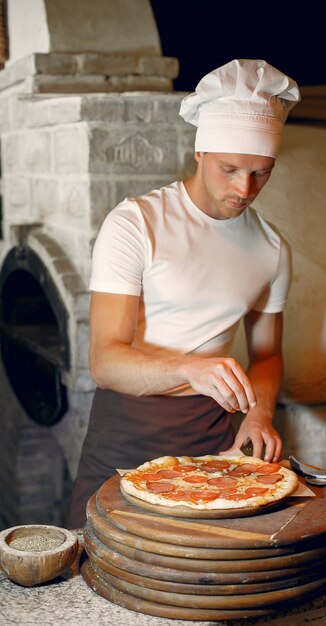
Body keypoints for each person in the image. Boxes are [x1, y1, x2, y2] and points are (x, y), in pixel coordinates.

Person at [67, 59, 300, 528]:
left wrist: (259, 414)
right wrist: (190, 368)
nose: (243, 188)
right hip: (124, 430)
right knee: (95, 566)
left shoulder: (272, 249)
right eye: (229, 168)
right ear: (200, 153)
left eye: (261, 173)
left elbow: (268, 355)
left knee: (198, 582)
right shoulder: (136, 223)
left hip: (213, 440)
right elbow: (105, 362)